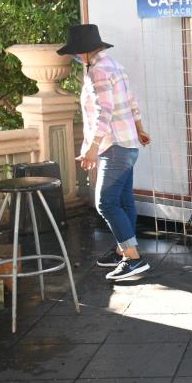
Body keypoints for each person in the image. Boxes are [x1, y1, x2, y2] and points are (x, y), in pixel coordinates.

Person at [57, 24, 151, 281]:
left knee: (105, 202)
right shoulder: (115, 65)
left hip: (116, 145)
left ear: (84, 52)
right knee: (123, 200)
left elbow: (103, 112)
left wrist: (91, 148)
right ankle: (125, 249)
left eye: (76, 53)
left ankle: (133, 258)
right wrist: (140, 129)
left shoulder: (97, 72)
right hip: (128, 142)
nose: (75, 58)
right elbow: (131, 102)